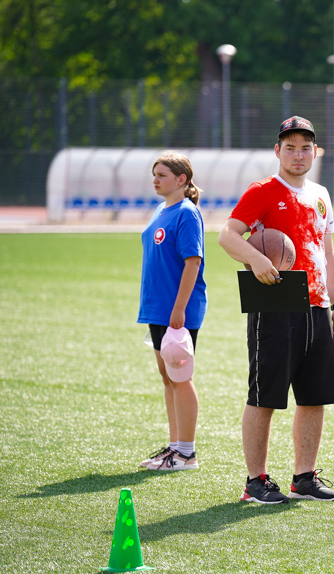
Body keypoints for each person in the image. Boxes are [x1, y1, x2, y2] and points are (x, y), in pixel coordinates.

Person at [218, 116, 334, 504]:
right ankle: (256, 481)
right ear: (277, 151)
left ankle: (304, 477)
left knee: (314, 396)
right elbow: (227, 234)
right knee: (264, 396)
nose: (298, 154)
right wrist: (256, 260)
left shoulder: (321, 193)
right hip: (274, 303)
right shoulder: (262, 190)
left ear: (315, 151)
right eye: (289, 147)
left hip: (316, 306)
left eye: (305, 147)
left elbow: (327, 253)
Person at [137, 151, 206, 471]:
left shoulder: (187, 213)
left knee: (180, 377)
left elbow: (193, 262)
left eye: (162, 174)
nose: (155, 179)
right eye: (154, 174)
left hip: (177, 310)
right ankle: (175, 448)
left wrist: (178, 309)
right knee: (168, 377)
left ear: (182, 180)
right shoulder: (159, 210)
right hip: (156, 308)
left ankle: (187, 454)